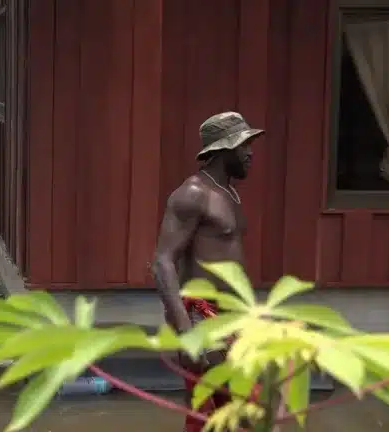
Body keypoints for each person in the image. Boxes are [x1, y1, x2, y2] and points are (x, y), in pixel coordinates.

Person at [151, 111, 264, 432]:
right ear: (223, 150)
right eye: (244, 145)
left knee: (228, 414)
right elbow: (163, 261)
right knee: (232, 411)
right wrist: (186, 331)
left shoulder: (228, 193)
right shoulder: (194, 194)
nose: (250, 152)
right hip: (205, 320)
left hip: (233, 317)